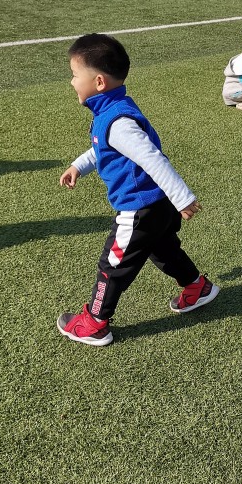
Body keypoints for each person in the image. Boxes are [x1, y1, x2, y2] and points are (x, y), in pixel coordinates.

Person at [57, 34, 220, 346]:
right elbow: (103, 148)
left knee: (112, 265)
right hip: (157, 206)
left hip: (139, 208)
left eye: (75, 75)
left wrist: (183, 197)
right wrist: (79, 165)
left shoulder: (118, 121)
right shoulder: (112, 110)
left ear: (99, 82)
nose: (72, 81)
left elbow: (152, 158)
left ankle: (94, 323)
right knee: (164, 250)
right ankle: (197, 287)